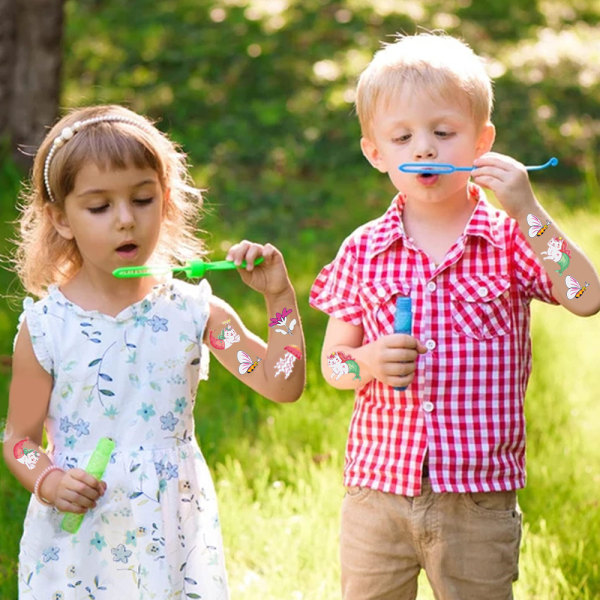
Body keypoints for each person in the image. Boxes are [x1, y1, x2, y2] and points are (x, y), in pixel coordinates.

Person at [309, 32, 600, 600]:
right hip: (378, 491)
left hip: (478, 496)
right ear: (376, 153)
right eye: (403, 137)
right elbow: (333, 367)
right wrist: (366, 361)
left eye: (443, 133)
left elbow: (585, 296)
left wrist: (530, 212)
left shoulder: (510, 239)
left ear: (482, 141)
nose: (424, 149)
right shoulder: (363, 250)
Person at [2, 104, 306, 599]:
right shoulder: (46, 327)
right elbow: (18, 439)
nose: (125, 221)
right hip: (79, 541)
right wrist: (48, 481)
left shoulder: (195, 314)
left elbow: (280, 380)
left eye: (142, 199)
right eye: (99, 207)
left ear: (164, 201)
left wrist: (279, 299)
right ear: (60, 219)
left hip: (172, 533)